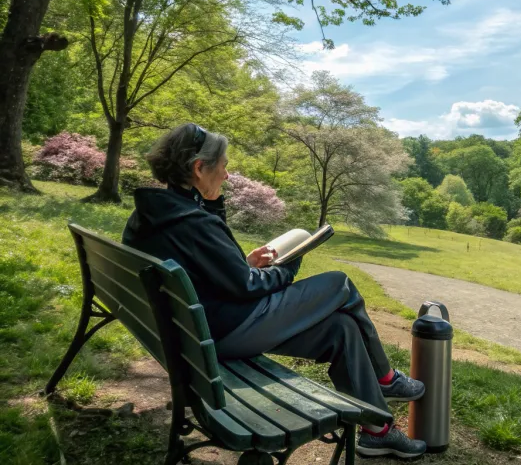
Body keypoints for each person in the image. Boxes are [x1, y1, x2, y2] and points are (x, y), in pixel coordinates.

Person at [123, 123, 426, 459]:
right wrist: (290, 264)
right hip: (223, 333)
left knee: (341, 329)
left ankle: (377, 431)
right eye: (222, 166)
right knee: (340, 283)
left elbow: (210, 269)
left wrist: (243, 261)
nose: (225, 176)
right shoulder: (193, 222)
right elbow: (247, 286)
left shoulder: (154, 213)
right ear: (198, 168)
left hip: (196, 335)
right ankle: (385, 377)